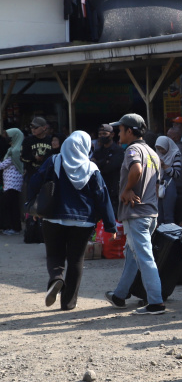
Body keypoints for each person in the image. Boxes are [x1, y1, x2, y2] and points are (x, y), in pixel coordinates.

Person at [28, 131, 117, 310]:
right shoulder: (92, 168)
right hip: (83, 222)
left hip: (53, 217)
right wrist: (110, 225)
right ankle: (68, 303)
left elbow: (34, 181)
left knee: (54, 255)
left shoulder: (53, 161)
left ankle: (56, 278)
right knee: (76, 260)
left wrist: (31, 206)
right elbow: (102, 196)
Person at [104, 113, 165, 315]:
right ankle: (119, 296)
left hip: (137, 213)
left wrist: (127, 189)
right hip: (150, 213)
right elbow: (157, 186)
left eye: (120, 130)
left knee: (144, 258)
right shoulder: (152, 152)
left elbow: (136, 170)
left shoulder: (133, 149)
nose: (117, 133)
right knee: (132, 255)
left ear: (130, 131)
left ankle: (156, 302)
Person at [0, 128, 25, 235]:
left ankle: (12, 227)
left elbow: (2, 165)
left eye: (9, 136)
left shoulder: (14, 151)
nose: (7, 139)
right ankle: (16, 227)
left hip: (12, 183)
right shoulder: (15, 149)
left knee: (9, 206)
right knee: (13, 205)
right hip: (13, 183)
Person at [154, 135, 181, 225]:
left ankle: (170, 236)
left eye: (162, 149)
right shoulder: (157, 155)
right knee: (159, 216)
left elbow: (177, 174)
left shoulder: (175, 154)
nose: (161, 151)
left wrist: (164, 166)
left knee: (168, 215)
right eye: (158, 149)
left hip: (169, 185)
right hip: (158, 185)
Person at [92, 123, 124, 197]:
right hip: (101, 187)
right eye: (100, 134)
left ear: (112, 135)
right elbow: (93, 166)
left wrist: (98, 163)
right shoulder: (98, 151)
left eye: (104, 134)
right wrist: (105, 161)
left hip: (114, 189)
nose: (102, 136)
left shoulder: (118, 150)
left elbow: (110, 167)